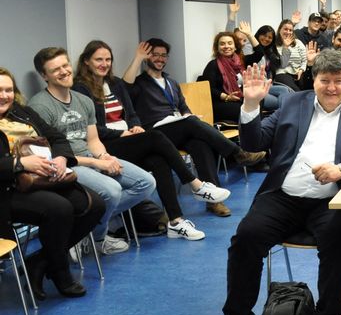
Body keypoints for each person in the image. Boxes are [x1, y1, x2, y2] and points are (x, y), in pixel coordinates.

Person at [220, 50, 341, 315]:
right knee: (246, 238)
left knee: (340, 242)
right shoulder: (291, 103)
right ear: (314, 80)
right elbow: (253, 144)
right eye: (325, 80)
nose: (332, 88)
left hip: (332, 201)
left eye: (339, 81)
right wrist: (251, 105)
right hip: (283, 198)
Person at [73, 40, 230, 240]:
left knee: (159, 160)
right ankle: (196, 184)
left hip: (128, 138)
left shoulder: (115, 83)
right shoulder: (81, 89)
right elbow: (94, 131)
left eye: (108, 59)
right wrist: (122, 134)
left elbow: (131, 114)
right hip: (106, 146)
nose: (104, 64)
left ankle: (176, 221)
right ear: (86, 61)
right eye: (98, 60)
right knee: (157, 137)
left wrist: (135, 126)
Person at [28, 47, 156, 255]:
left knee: (145, 183)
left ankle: (84, 227)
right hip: (66, 164)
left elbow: (93, 140)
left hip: (89, 156)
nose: (64, 71)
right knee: (112, 191)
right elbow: (52, 155)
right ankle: (97, 238)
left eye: (65, 65)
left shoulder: (83, 100)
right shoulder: (39, 106)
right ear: (44, 76)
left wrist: (104, 156)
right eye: (55, 70)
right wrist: (97, 163)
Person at [121, 38, 266, 217]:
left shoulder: (171, 82)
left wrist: (190, 116)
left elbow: (183, 108)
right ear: (147, 57)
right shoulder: (139, 82)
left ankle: (214, 200)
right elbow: (125, 86)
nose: (160, 59)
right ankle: (237, 153)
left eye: (163, 55)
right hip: (155, 132)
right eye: (155, 55)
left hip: (178, 127)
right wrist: (137, 58)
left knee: (199, 143)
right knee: (190, 123)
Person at [0, 67, 105, 299]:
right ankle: (61, 273)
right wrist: (20, 164)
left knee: (94, 204)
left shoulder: (22, 112)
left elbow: (57, 137)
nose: (4, 95)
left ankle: (39, 262)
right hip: (8, 189)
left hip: (45, 179)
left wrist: (60, 157)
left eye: (8, 90)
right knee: (60, 209)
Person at [201, 32, 279, 122]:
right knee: (244, 109)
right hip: (222, 102)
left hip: (240, 99)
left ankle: (259, 128)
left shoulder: (241, 61)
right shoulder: (213, 65)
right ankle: (256, 129)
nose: (226, 46)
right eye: (222, 44)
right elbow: (209, 89)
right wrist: (226, 97)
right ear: (217, 48)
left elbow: (259, 52)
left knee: (256, 101)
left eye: (230, 43)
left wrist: (249, 34)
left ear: (235, 47)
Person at [273, 19, 308, 91]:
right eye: (285, 29)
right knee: (296, 91)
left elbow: (305, 59)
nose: (288, 32)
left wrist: (301, 69)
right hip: (283, 73)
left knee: (308, 87)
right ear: (280, 30)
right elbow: (283, 64)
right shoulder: (275, 45)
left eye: (290, 30)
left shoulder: (298, 43)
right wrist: (285, 47)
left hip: (298, 71)